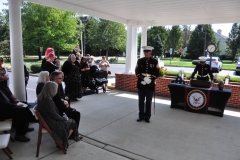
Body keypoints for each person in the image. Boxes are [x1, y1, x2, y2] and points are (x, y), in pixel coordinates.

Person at [35, 81, 82, 150]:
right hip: (51, 122)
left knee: (69, 120)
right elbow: (54, 114)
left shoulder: (41, 97)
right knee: (73, 122)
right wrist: (63, 119)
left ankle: (63, 140)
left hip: (46, 119)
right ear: (52, 90)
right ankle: (62, 141)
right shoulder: (48, 100)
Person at [0, 68, 34, 142]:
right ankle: (19, 135)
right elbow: (1, 104)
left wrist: (15, 101)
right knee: (20, 110)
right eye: (1, 74)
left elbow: (9, 94)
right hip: (2, 111)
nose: (3, 75)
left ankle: (24, 126)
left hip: (7, 106)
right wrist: (14, 105)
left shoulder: (2, 84)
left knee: (24, 103)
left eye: (3, 74)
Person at [135, 46, 160, 123]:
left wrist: (150, 79)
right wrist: (143, 79)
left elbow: (157, 72)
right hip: (141, 84)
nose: (146, 54)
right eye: (145, 52)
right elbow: (137, 71)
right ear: (144, 53)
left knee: (149, 101)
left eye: (148, 52)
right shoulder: (140, 61)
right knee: (141, 101)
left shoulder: (155, 61)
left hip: (150, 85)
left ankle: (147, 117)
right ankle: (141, 116)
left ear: (150, 52)